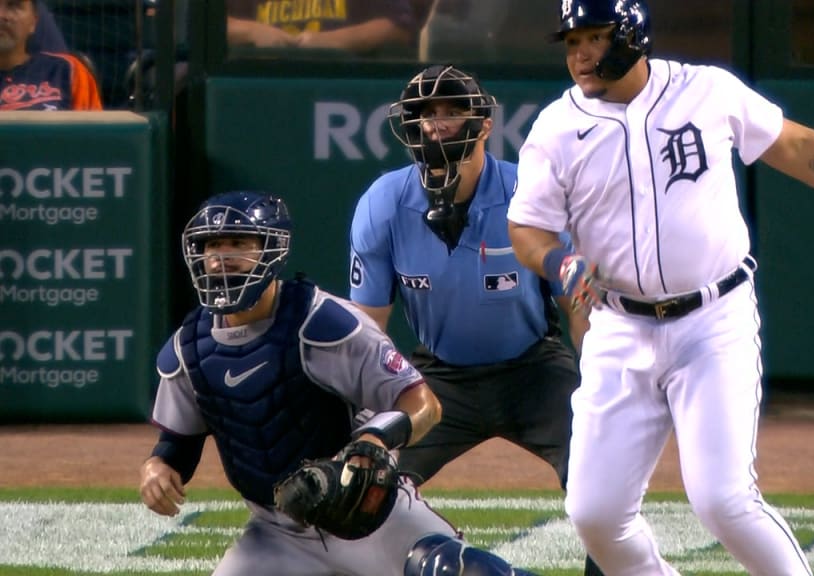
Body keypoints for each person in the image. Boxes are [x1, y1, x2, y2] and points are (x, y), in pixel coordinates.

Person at [505, 1, 814, 575]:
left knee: (723, 500)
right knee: (595, 512)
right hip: (620, 328)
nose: (581, 53)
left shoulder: (705, 91)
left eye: (594, 36)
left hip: (711, 321)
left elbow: (795, 145)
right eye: (571, 42)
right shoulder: (556, 127)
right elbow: (526, 228)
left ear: (633, 32)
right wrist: (560, 261)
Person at [139, 190, 540, 576]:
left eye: (238, 243)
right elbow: (178, 445)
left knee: (450, 570)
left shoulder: (323, 323)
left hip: (369, 517)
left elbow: (423, 404)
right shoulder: (187, 351)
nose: (222, 258)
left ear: (270, 250)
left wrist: (376, 439)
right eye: (213, 246)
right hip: (277, 532)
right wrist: (157, 467)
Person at [348, 64, 605, 576]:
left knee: (605, 478)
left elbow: (577, 303)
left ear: (483, 123)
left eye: (451, 111)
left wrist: (604, 385)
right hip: (438, 380)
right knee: (357, 490)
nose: (437, 124)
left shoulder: (526, 192)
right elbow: (365, 330)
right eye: (425, 114)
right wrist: (362, 427)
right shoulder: (383, 203)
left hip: (535, 368)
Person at [225, 0, 429, 58]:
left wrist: (331, 42)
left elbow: (398, 27)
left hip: (339, 84)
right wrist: (252, 31)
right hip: (258, 81)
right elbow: (200, 21)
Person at [0, 0, 101, 110]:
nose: (1, 15)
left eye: (14, 5)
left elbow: (92, 126)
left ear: (34, 22)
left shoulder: (68, 70)